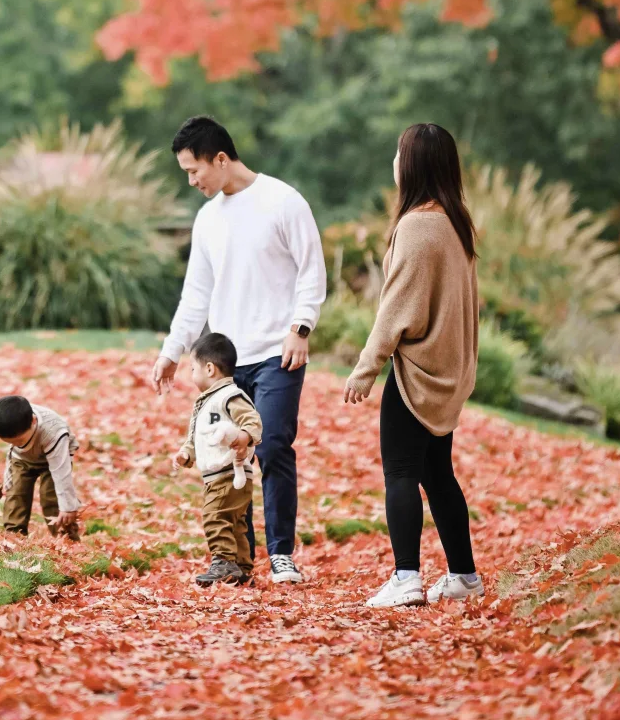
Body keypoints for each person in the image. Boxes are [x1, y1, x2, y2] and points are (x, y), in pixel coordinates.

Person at [153, 115, 327, 585]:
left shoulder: (283, 202)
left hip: (277, 352)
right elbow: (196, 294)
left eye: (194, 170)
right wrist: (172, 352)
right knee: (231, 457)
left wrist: (301, 327)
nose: (192, 181)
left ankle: (281, 554)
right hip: (225, 364)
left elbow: (312, 271)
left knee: (270, 446)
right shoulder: (208, 219)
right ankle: (237, 558)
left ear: (222, 159)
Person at [343, 122, 483, 608]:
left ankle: (406, 578)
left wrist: (365, 368)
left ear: (415, 165)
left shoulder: (417, 226)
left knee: (400, 470)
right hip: (448, 372)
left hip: (416, 373)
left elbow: (397, 309)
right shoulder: (455, 222)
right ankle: (464, 576)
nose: (395, 164)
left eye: (399, 156)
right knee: (438, 474)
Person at [174, 331, 263, 587]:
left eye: (193, 368)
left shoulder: (229, 396)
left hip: (227, 472)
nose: (191, 374)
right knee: (235, 524)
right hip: (223, 474)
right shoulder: (207, 401)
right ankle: (242, 568)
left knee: (215, 515)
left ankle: (223, 561)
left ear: (210, 368)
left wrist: (246, 436)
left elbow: (252, 420)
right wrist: (186, 454)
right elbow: (198, 437)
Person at [0, 394, 80, 539]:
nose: (16, 444)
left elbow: (61, 472)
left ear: (33, 421)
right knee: (16, 494)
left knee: (51, 498)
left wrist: (68, 507)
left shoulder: (53, 432)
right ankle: (14, 536)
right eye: (10, 442)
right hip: (21, 459)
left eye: (19, 440)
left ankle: (66, 538)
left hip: (52, 460)